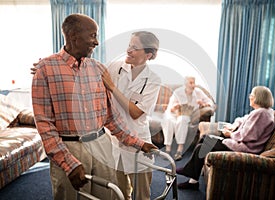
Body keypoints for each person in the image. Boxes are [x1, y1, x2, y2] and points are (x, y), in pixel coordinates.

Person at [31, 13, 157, 200]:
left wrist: (138, 143)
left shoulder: (98, 69)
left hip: (102, 145)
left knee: (109, 195)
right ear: (73, 36)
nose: (97, 42)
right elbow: (44, 125)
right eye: (92, 36)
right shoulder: (46, 70)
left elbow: (110, 116)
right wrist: (68, 162)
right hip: (69, 146)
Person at [176, 86, 275, 190]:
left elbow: (247, 136)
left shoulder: (260, 114)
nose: (250, 97)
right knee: (205, 139)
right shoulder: (263, 111)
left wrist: (230, 134)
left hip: (245, 148)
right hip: (242, 143)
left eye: (252, 95)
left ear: (258, 98)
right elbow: (242, 119)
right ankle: (192, 177)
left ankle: (191, 176)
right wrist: (233, 126)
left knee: (203, 146)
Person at [102, 31, 161, 200]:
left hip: (138, 140)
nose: (128, 50)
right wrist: (51, 66)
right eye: (129, 45)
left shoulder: (153, 79)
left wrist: (112, 87)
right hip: (114, 139)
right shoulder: (115, 66)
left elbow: (135, 113)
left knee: (141, 194)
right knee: (118, 193)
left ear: (148, 54)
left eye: (134, 48)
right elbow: (89, 69)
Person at [161, 76, 215, 161]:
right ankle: (168, 149)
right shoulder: (178, 92)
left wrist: (203, 104)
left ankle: (180, 149)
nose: (193, 85)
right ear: (185, 84)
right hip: (173, 114)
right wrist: (175, 107)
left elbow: (210, 103)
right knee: (168, 121)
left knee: (182, 120)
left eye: (194, 82)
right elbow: (170, 108)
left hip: (185, 114)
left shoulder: (198, 92)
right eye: (191, 83)